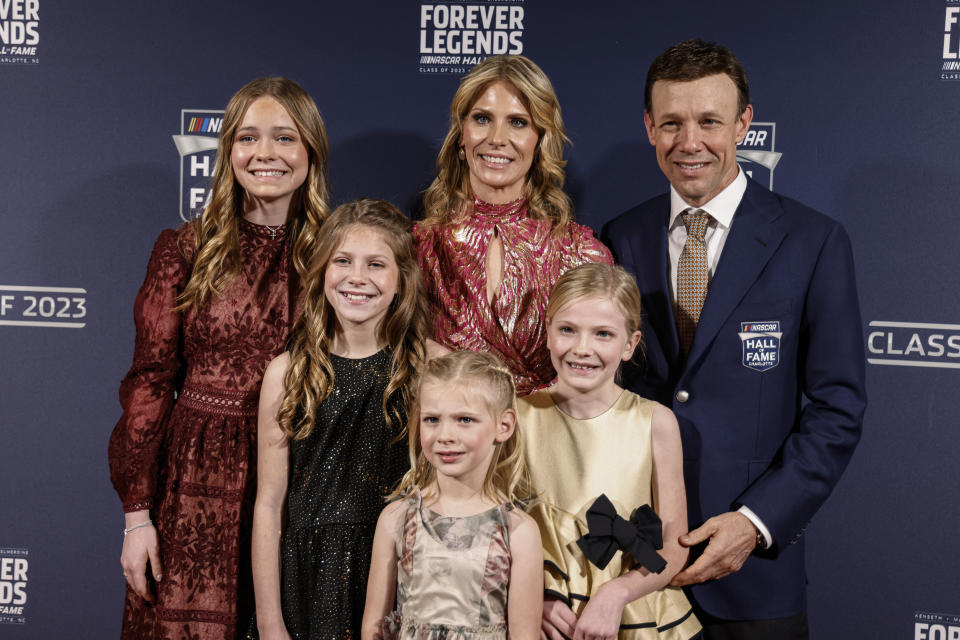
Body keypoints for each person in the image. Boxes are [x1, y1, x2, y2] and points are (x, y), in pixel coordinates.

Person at [602, 39, 865, 638]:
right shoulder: (620, 236)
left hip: (754, 577)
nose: (689, 142)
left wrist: (754, 521)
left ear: (744, 124)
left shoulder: (812, 241)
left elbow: (837, 409)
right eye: (671, 123)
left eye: (709, 121)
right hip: (632, 567)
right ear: (649, 128)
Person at [108, 77, 331, 639]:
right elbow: (150, 384)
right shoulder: (184, 248)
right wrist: (137, 519)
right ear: (228, 150)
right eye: (249, 137)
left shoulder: (339, 253)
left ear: (310, 152)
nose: (266, 154)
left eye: (285, 137)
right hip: (195, 483)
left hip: (300, 478)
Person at [249, 199, 441, 639]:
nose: (358, 277)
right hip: (308, 580)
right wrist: (269, 621)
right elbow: (269, 504)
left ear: (402, 281)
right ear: (320, 272)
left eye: (376, 264)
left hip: (400, 574)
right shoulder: (288, 372)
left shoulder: (431, 368)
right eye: (343, 261)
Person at [519, 264, 702, 640]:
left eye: (603, 334)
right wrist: (535, 595)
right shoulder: (516, 418)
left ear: (629, 344)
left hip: (637, 618)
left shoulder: (656, 422)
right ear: (548, 331)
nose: (582, 349)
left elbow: (674, 546)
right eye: (567, 330)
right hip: (546, 622)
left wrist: (616, 593)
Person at [415, 54, 613, 395]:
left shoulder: (584, 255)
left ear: (540, 139)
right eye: (482, 118)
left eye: (518, 122)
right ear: (461, 134)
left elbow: (598, 389)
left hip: (554, 442)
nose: (496, 137)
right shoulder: (416, 250)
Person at [361, 350, 543, 639]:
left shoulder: (518, 531)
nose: (445, 435)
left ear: (503, 425)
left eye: (464, 420)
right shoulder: (396, 518)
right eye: (432, 419)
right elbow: (374, 628)